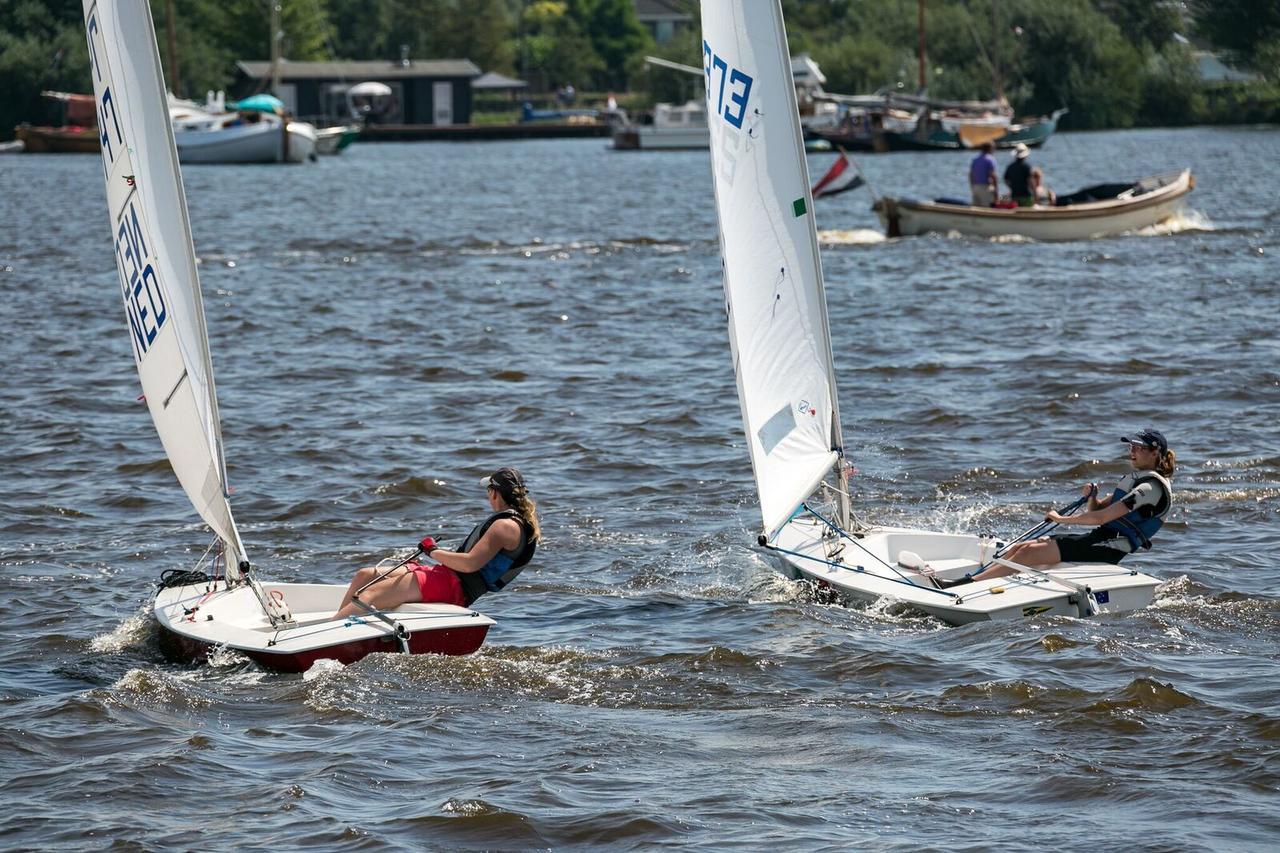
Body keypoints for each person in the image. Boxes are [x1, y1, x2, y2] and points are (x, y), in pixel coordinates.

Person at [938, 429, 1175, 588]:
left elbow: (1101, 518)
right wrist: (1092, 496)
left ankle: (964, 586)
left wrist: (1061, 519)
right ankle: (978, 581)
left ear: (1155, 453)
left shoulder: (1151, 488)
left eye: (1139, 448)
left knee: (1028, 555)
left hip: (1109, 548)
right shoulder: (1137, 480)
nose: (1132, 451)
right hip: (1098, 538)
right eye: (1131, 446)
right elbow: (1097, 510)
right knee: (1023, 546)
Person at [332, 467, 540, 619]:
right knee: (364, 576)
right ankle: (337, 622)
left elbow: (469, 564)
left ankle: (332, 634)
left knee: (370, 594)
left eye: (488, 491)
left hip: (456, 588)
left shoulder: (506, 526)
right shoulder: (511, 522)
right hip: (446, 577)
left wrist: (432, 551)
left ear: (494, 492)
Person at [1003, 142, 1034, 207]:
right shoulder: (1026, 167)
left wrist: (1012, 187)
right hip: (1026, 195)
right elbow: (1030, 181)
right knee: (1027, 213)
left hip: (1014, 195)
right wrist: (1035, 193)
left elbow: (1006, 180)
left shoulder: (1010, 167)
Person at [969, 141, 998, 207]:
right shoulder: (990, 159)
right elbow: (993, 176)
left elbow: (971, 175)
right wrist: (996, 192)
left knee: (976, 210)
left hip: (975, 187)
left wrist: (972, 187)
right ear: (990, 148)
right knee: (987, 209)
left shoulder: (975, 160)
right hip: (985, 187)